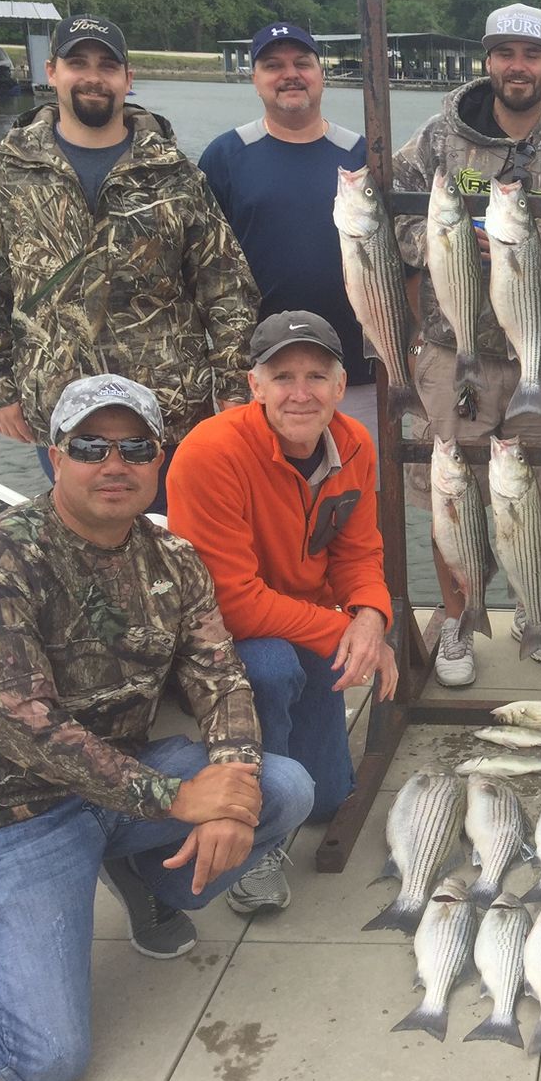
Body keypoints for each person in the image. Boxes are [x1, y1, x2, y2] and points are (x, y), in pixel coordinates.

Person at [0, 374, 313, 1081]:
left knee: (285, 787)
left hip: (122, 783)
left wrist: (232, 789)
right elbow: (24, 724)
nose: (115, 463)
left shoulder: (175, 558)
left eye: (135, 447)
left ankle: (141, 873)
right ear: (55, 456)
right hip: (11, 811)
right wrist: (179, 799)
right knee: (44, 1061)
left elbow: (221, 677)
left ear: (158, 458)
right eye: (90, 446)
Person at [0, 14, 258, 514]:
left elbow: (225, 286)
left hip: (170, 414)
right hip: (61, 414)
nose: (93, 77)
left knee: (176, 539)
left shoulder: (174, 172)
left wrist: (232, 388)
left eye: (107, 66)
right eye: (78, 63)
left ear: (127, 79)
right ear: (52, 72)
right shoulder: (4, 168)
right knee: (86, 536)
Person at [391, 2, 541, 688]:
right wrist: (444, 241)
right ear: (488, 61)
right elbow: (392, 216)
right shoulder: (437, 142)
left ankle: (533, 612)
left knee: (539, 495)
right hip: (456, 356)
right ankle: (458, 620)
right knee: (454, 498)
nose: (518, 66)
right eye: (505, 53)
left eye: (532, 55)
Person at [168, 311, 398, 914]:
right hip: (221, 636)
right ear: (255, 385)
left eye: (316, 376)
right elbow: (232, 604)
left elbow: (358, 553)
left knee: (328, 799)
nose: (301, 393)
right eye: (283, 376)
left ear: (340, 386)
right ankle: (257, 836)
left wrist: (371, 616)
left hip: (301, 618)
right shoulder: (210, 452)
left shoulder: (354, 442)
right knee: (270, 668)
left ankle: (300, 775)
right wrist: (344, 629)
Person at [199, 21, 379, 442]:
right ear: (255, 79)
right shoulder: (225, 156)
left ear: (321, 74)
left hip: (354, 372)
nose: (290, 74)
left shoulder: (362, 155)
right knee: (259, 482)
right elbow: (203, 268)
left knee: (355, 480)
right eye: (273, 66)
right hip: (260, 373)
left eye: (302, 63)